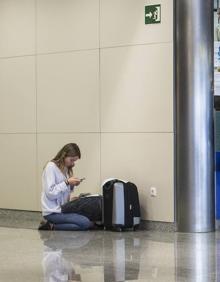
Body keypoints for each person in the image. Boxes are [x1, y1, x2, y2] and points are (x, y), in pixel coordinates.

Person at [38, 143, 93, 231]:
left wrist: (72, 185)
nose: (72, 163)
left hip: (63, 209)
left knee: (90, 219)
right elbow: (50, 193)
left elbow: (64, 191)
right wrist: (67, 182)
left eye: (74, 161)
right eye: (71, 160)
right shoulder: (50, 167)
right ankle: (51, 225)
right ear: (64, 155)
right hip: (52, 212)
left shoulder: (65, 168)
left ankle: (55, 225)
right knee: (85, 223)